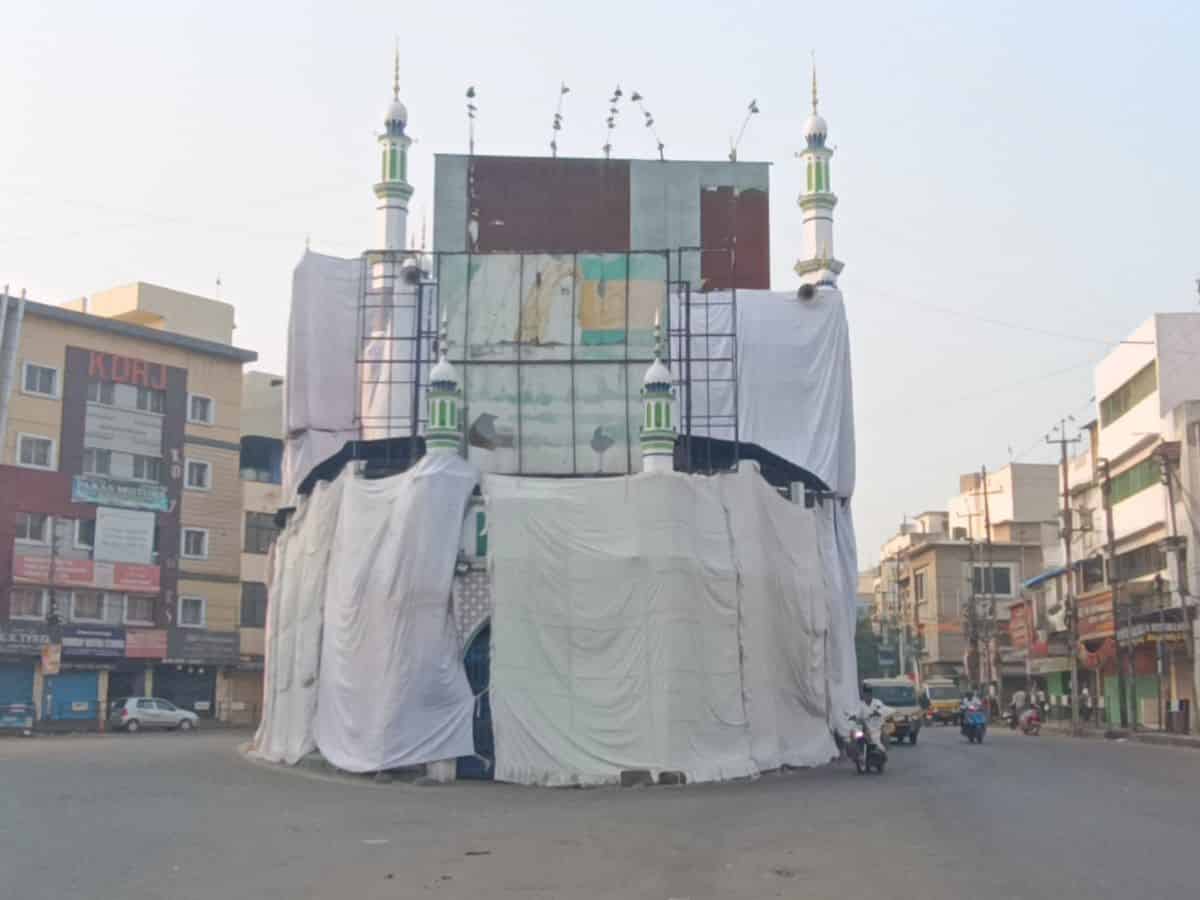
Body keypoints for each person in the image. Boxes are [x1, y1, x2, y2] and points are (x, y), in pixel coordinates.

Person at [857, 683, 894, 755]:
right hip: (864, 729)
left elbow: (881, 710)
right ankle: (859, 753)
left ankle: (882, 751)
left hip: (878, 728)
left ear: (871, 694)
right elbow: (857, 716)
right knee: (856, 735)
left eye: (869, 693)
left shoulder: (877, 702)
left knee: (884, 735)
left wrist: (876, 713)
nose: (867, 695)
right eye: (866, 693)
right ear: (863, 694)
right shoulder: (860, 705)